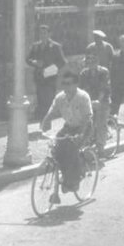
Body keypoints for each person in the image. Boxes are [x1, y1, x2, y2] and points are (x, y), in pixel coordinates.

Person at [40, 72, 92, 203]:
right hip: (69, 126)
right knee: (57, 150)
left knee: (71, 150)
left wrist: (80, 134)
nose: (65, 87)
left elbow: (87, 118)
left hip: (84, 127)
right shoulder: (60, 98)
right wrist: (46, 121)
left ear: (75, 84)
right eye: (63, 83)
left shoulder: (83, 97)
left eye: (68, 83)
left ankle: (74, 181)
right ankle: (57, 190)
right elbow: (52, 111)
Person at [27, 24, 67, 121]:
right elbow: (28, 59)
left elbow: (62, 62)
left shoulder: (55, 46)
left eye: (45, 33)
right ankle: (42, 122)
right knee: (41, 100)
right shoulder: (36, 46)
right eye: (41, 33)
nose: (42, 35)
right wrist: (34, 62)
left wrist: (51, 69)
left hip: (50, 78)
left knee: (49, 100)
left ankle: (48, 121)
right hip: (39, 77)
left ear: (49, 34)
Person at [79, 52, 110, 158]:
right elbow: (81, 89)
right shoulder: (84, 73)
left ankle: (101, 148)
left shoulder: (103, 72)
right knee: (86, 124)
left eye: (93, 61)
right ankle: (86, 147)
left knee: (100, 124)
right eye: (89, 61)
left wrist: (98, 101)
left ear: (97, 62)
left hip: (102, 100)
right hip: (89, 100)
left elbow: (103, 88)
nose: (91, 63)